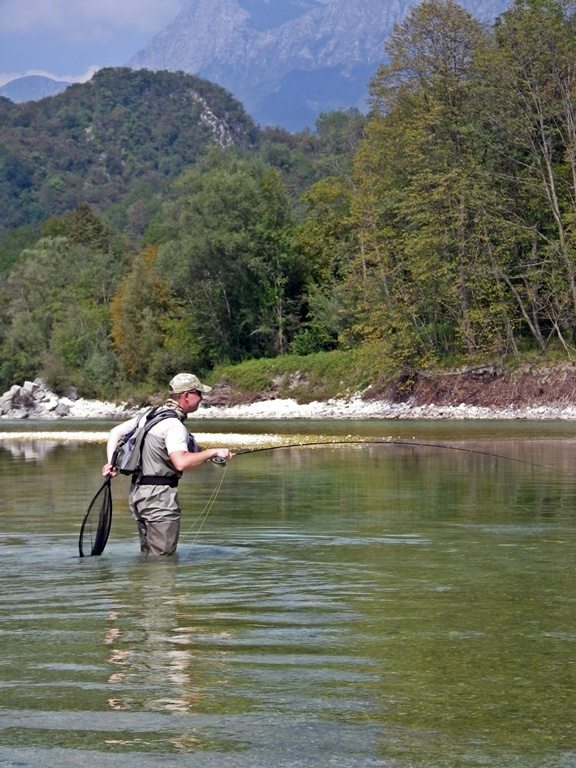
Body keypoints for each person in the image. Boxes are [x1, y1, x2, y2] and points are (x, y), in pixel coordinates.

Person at [102, 372, 233, 557]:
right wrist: (212, 452)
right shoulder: (174, 425)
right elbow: (181, 463)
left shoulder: (149, 414)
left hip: (138, 495)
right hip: (159, 499)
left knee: (149, 555)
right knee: (162, 561)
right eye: (199, 393)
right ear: (186, 395)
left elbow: (115, 433)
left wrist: (111, 463)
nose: (202, 398)